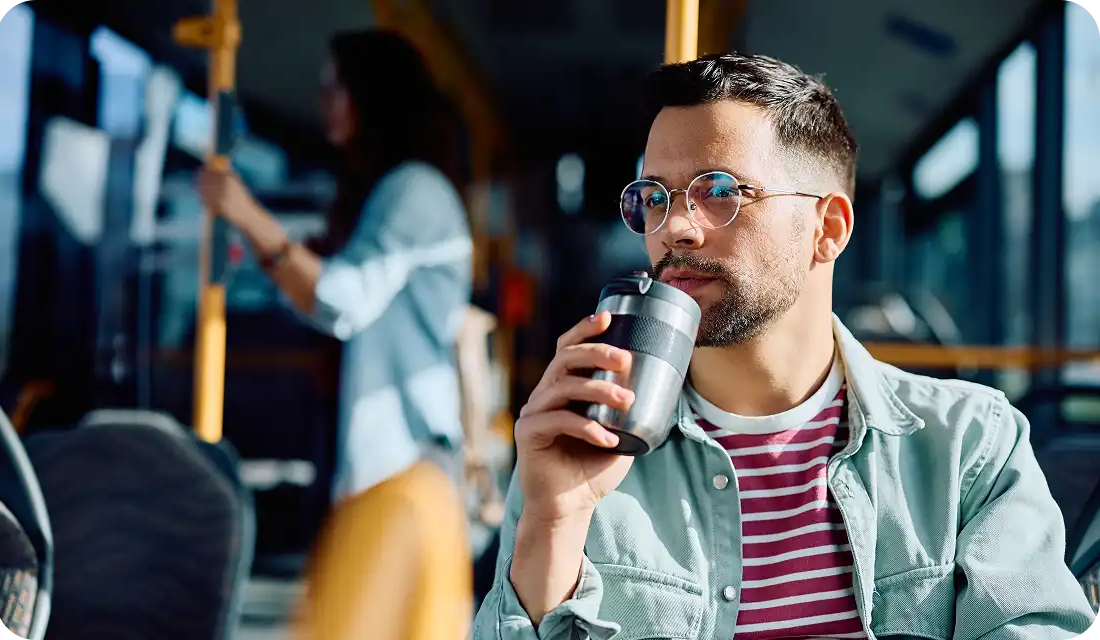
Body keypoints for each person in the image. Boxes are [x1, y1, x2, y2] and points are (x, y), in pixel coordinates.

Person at [473, 53, 1096, 639]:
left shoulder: (967, 444)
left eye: (719, 192)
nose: (676, 229)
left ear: (827, 229)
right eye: (654, 199)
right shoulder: (582, 440)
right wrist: (553, 521)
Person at [197, 30, 474, 638]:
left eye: (336, 87)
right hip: (386, 453)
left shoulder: (414, 190)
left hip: (402, 457)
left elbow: (340, 300)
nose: (325, 101)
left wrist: (245, 213)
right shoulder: (392, 193)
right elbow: (324, 300)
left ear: (373, 96)